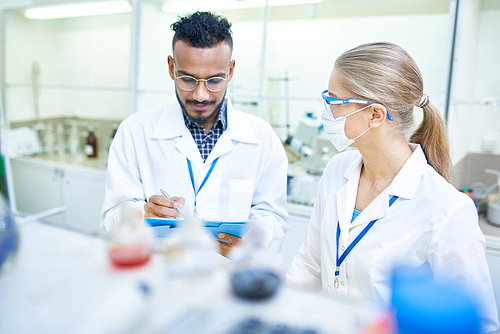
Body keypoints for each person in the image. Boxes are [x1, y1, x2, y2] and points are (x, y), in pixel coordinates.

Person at [286, 42, 499, 333]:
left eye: (334, 103)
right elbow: (310, 265)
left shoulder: (446, 210)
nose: (327, 113)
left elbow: (480, 326)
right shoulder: (337, 171)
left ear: (375, 114)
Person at [100, 12, 289, 257]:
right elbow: (111, 217)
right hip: (159, 277)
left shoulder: (263, 139)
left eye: (214, 80)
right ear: (171, 67)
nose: (201, 95)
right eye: (188, 79)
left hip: (229, 281)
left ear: (230, 71)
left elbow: (273, 219)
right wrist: (141, 213)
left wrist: (251, 244)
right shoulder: (135, 132)